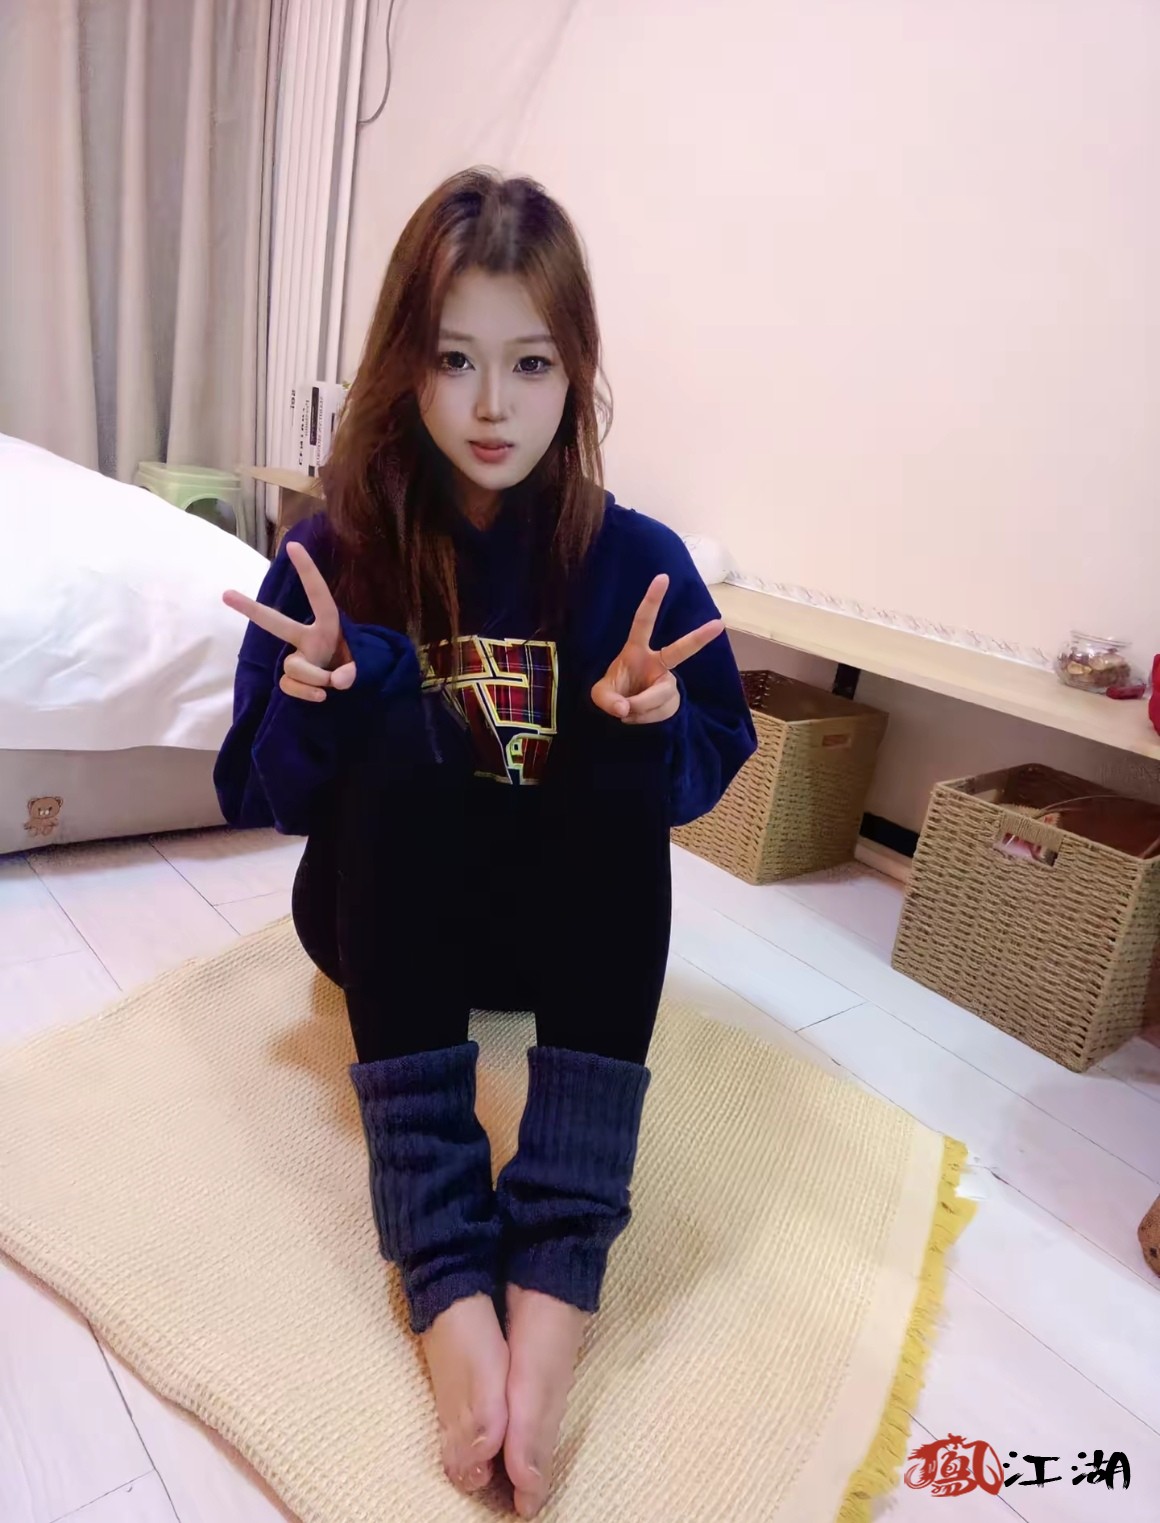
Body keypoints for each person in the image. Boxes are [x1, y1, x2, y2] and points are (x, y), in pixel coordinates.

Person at [214, 168, 757, 1517]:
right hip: (383, 923)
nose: (493, 404)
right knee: (398, 729)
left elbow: (703, 769)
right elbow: (264, 794)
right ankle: (448, 1272)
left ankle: (558, 1265)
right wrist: (315, 700)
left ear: (578, 373)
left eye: (532, 362)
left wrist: (653, 724)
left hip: (550, 936)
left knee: (614, 758)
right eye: (456, 359)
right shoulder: (335, 555)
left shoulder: (633, 560)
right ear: (406, 365)